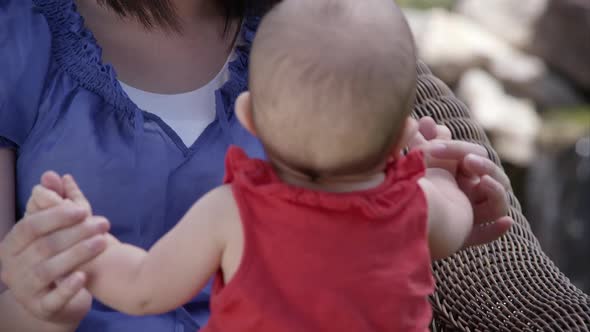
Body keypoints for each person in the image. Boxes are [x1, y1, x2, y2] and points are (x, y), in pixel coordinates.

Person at [0, 0, 513, 331]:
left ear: (250, 117)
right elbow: (444, 217)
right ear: (402, 136)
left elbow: (140, 287)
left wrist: (84, 249)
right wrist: (440, 180)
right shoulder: (419, 203)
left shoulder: (234, 209)